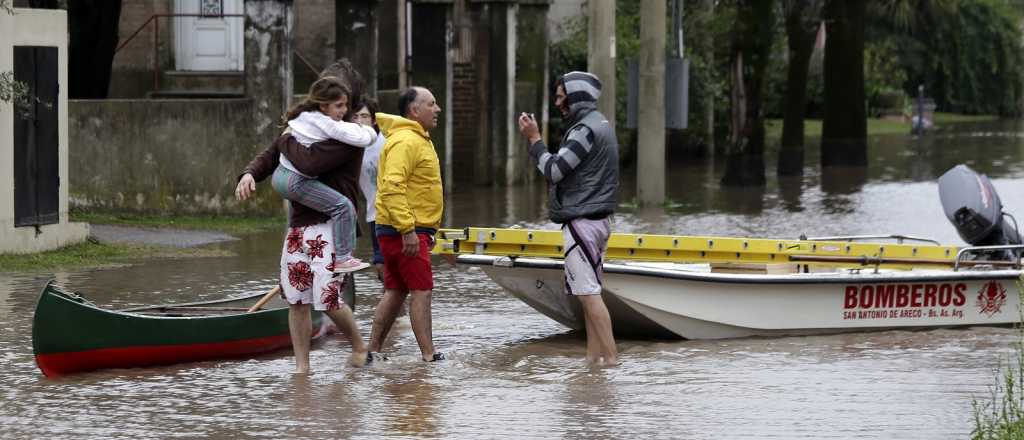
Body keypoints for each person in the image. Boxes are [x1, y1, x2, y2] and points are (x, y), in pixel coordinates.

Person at [235, 72, 374, 372]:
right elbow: (271, 155)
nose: (339, 111)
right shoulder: (305, 131)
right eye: (335, 105)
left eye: (344, 106)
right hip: (299, 226)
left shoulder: (346, 138)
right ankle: (302, 369)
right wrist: (249, 173)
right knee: (296, 299)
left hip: (330, 227)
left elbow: (308, 163)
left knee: (328, 299)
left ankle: (360, 348)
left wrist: (286, 136)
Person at [516, 71, 619, 366]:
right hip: (598, 221)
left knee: (588, 296)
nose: (557, 103)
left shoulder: (583, 131)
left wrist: (535, 140)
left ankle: (611, 362)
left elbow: (554, 170)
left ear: (576, 98)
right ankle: (593, 361)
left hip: (581, 223)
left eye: (562, 97)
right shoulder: (601, 124)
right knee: (589, 293)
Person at [366, 86, 445, 363]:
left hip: (401, 229)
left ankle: (372, 353)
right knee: (422, 291)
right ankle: (429, 355)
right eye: (431, 104)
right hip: (405, 231)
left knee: (396, 290)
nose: (437, 109)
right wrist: (408, 230)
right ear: (414, 110)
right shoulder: (406, 141)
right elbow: (392, 187)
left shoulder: (414, 138)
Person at [272, 76, 377, 273]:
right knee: (343, 207)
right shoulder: (327, 124)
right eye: (339, 106)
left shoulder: (304, 117)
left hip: (281, 176)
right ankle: (343, 259)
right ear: (323, 106)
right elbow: (358, 137)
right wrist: (370, 131)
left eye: (346, 105)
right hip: (295, 181)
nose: (344, 110)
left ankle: (339, 259)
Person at [354, 98, 387, 278]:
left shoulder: (386, 142)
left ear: (374, 120)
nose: (359, 121)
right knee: (381, 267)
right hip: (373, 214)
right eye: (355, 116)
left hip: (395, 214)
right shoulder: (351, 147)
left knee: (390, 268)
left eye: (364, 116)